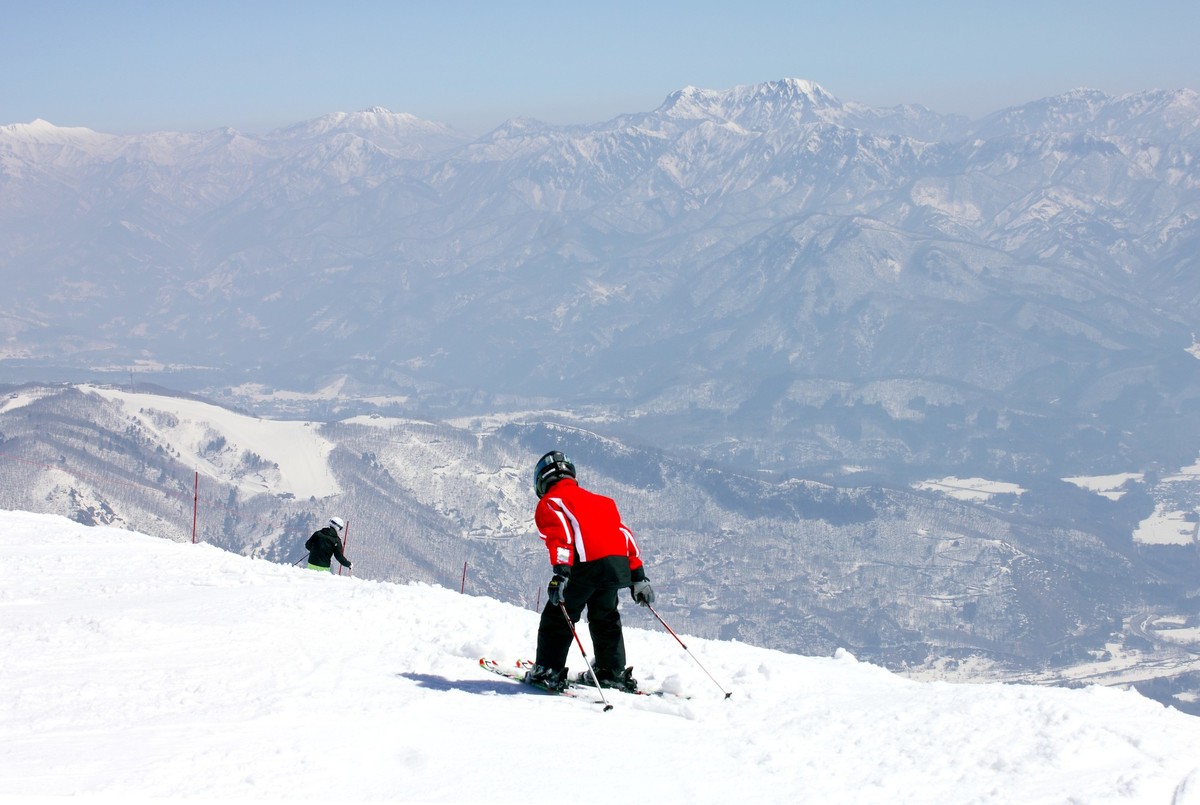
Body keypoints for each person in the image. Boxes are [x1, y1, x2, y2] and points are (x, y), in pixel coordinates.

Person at [524, 450, 655, 693]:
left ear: (542, 481)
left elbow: (560, 536)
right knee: (605, 617)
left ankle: (548, 671)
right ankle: (611, 671)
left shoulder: (551, 502)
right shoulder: (603, 501)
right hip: (615, 568)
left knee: (558, 617)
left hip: (585, 566)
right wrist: (638, 576)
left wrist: (561, 574)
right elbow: (625, 535)